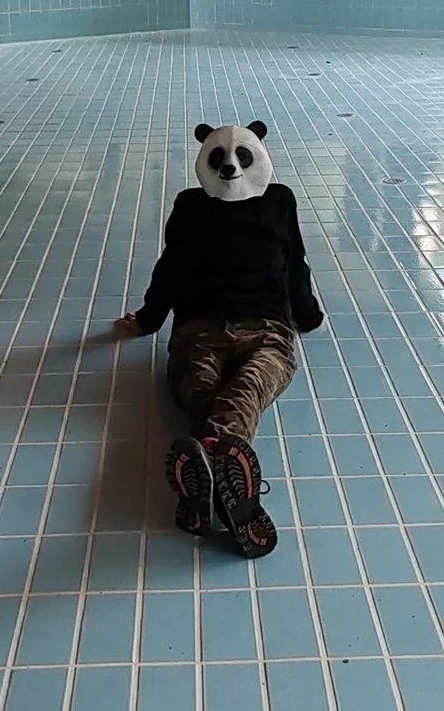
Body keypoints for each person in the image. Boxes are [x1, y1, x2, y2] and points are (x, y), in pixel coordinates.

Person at [115, 121, 322, 559]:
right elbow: (172, 267)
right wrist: (149, 320)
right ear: (205, 156)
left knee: (221, 391)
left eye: (241, 156)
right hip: (215, 330)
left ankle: (205, 478)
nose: (230, 165)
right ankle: (231, 482)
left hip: (240, 330)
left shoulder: (277, 201)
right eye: (221, 157)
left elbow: (293, 261)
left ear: (257, 154)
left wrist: (306, 312)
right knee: (223, 390)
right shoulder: (191, 205)